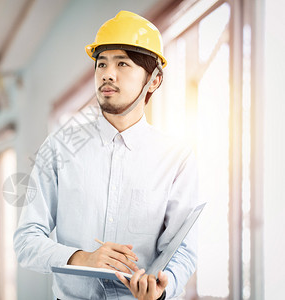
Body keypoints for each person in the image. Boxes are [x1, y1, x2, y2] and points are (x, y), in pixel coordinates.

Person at [13, 11, 198, 300]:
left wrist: (162, 289)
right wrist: (81, 258)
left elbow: (183, 250)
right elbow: (26, 241)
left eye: (122, 63)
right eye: (101, 64)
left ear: (154, 81)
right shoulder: (59, 147)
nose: (107, 74)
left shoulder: (176, 158)